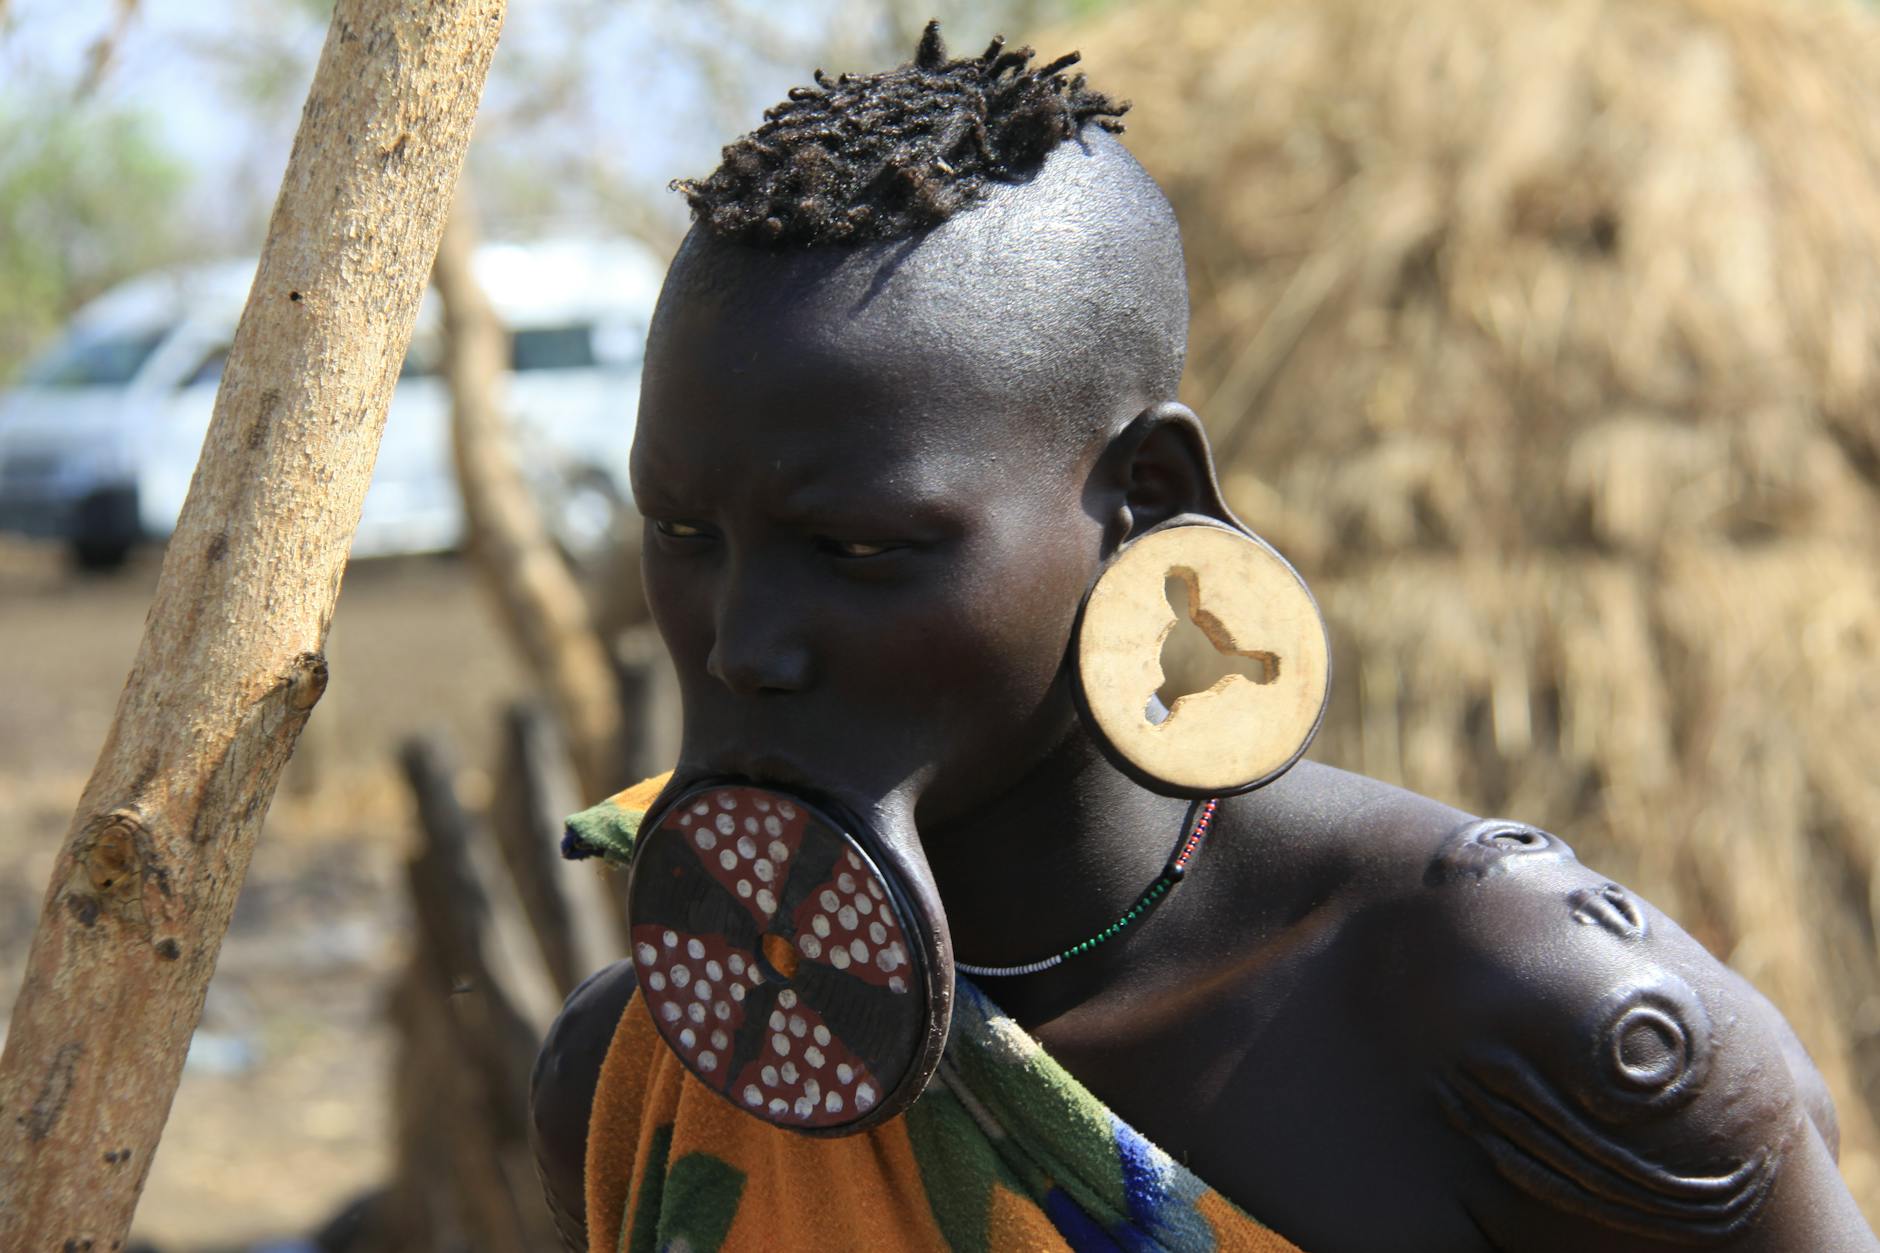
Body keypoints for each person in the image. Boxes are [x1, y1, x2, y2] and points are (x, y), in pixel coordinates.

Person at [529, 24, 1878, 1252]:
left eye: (862, 548)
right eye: (685, 535)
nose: (744, 644)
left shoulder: (1518, 1023)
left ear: (1148, 502)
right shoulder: (641, 1071)